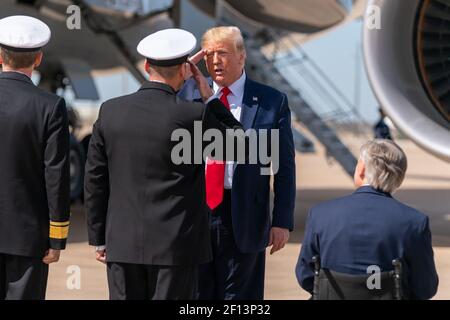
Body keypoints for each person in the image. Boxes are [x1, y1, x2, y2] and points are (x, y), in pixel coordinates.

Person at [84, 28, 245, 300]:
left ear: (146, 66)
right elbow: (239, 143)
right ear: (185, 70)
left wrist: (99, 236)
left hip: (123, 245)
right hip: (177, 247)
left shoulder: (111, 111)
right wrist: (210, 98)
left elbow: (95, 180)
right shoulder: (194, 115)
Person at [179, 26, 296, 300]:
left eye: (223, 53)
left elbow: (283, 167)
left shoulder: (271, 101)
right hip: (197, 215)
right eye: (209, 55)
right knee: (196, 297)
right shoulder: (186, 96)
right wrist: (180, 77)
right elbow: (147, 109)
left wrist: (281, 221)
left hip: (245, 216)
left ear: (242, 56)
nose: (216, 61)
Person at [296, 139, 439, 300]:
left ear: (362, 169)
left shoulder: (320, 214)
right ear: (399, 177)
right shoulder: (415, 222)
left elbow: (305, 276)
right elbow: (425, 288)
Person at [0, 16, 71, 300]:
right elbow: (56, 175)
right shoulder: (51, 106)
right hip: (27, 238)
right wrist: (57, 237)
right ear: (38, 58)